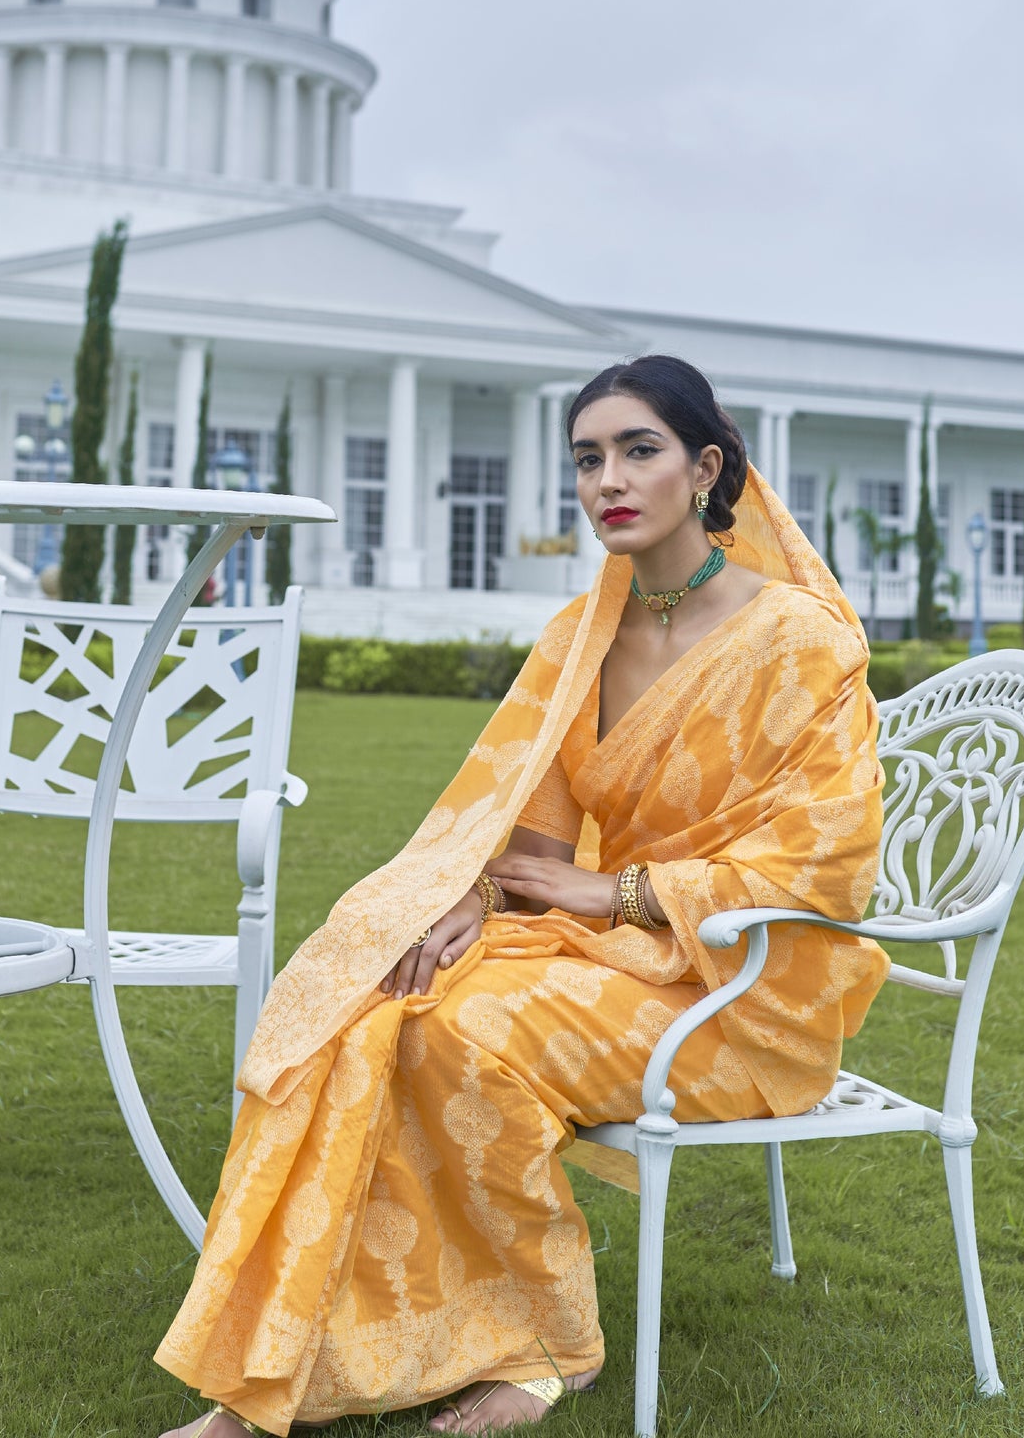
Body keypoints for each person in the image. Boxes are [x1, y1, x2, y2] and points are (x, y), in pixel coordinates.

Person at [157, 355, 890, 1438]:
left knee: (467, 1031)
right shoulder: (579, 636)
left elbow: (826, 863)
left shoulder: (801, 639)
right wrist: (472, 899)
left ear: (706, 468)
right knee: (369, 1011)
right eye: (586, 458)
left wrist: (615, 888)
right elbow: (526, 824)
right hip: (607, 956)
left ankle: (546, 1344)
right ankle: (277, 1369)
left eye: (638, 449)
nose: (608, 480)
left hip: (744, 983)